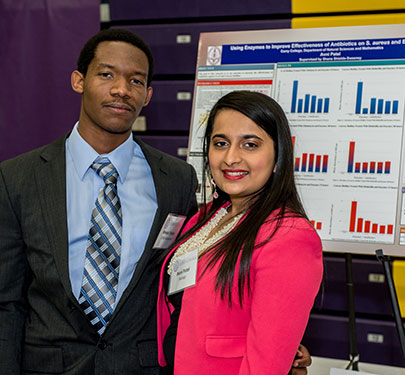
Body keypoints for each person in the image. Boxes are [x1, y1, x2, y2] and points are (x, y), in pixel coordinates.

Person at [0, 28, 198, 374]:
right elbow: (7, 302)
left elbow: (188, 290)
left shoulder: (177, 180)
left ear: (148, 95)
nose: (122, 90)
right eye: (106, 74)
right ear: (79, 80)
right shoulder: (18, 178)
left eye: (136, 81)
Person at [157, 90, 323, 374]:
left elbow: (266, 364)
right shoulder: (207, 216)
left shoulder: (290, 236)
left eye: (250, 145)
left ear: (277, 156)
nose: (231, 158)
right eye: (220, 143)